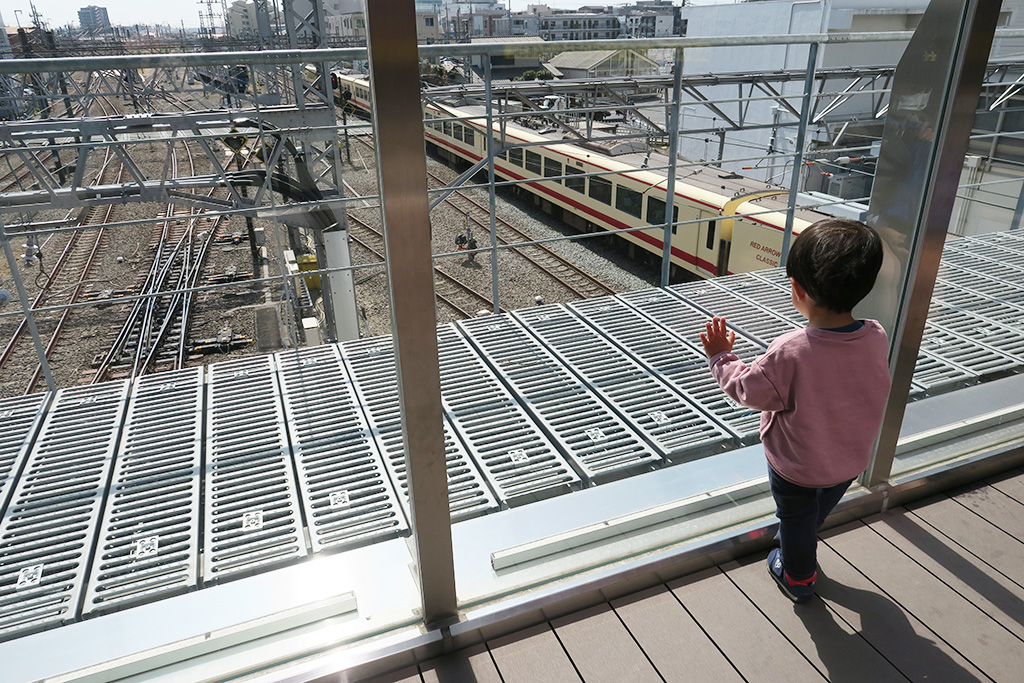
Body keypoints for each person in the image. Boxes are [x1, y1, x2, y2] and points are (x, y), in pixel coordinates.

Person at [700, 218, 891, 603]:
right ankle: (805, 532)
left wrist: (721, 356)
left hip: (797, 465)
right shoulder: (875, 334)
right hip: (850, 458)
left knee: (794, 518)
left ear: (798, 290)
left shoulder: (792, 349)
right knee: (813, 512)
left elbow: (748, 390)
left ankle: (798, 576)